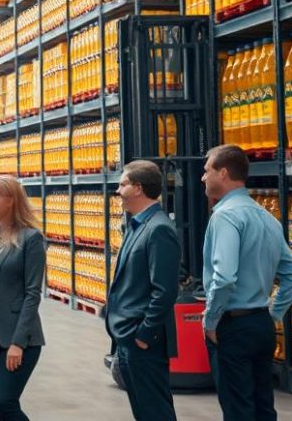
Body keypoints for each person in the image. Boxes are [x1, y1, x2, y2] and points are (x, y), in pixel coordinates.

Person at [202, 144, 292, 421]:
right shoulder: (266, 217)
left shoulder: (225, 216)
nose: (202, 178)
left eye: (206, 170)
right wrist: (273, 313)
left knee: (238, 410)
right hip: (261, 324)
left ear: (223, 173)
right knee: (263, 407)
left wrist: (210, 322)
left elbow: (223, 278)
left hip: (232, 326)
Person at [105, 161, 180, 421]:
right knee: (143, 411)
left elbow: (165, 290)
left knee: (155, 412)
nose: (118, 190)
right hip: (128, 337)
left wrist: (144, 334)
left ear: (138, 188)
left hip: (143, 341)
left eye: (123, 184)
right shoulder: (137, 225)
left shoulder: (158, 228)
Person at [0, 176, 46, 421]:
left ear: (11, 200)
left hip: (18, 336)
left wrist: (18, 343)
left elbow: (32, 294)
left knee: (3, 403)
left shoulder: (31, 239)